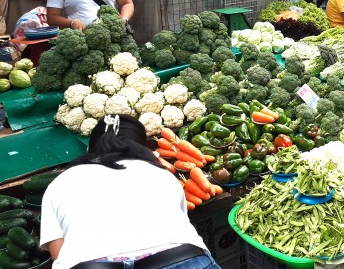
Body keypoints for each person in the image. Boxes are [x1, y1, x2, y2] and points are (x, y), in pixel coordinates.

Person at [40, 115, 219, 269]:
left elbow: (59, 255)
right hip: (184, 259)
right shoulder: (162, 176)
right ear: (142, 146)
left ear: (92, 148)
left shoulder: (61, 182)